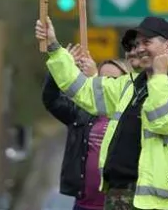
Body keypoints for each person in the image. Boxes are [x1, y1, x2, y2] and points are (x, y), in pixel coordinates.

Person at [35, 16, 168, 210]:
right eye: (137, 44)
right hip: (117, 196)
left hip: (151, 203)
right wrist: (54, 46)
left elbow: (161, 121)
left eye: (147, 42)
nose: (139, 49)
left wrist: (159, 76)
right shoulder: (130, 86)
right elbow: (82, 89)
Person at [43, 47, 129, 210]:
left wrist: (95, 78)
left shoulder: (132, 115)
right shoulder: (83, 112)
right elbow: (51, 100)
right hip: (84, 205)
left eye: (112, 79)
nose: (105, 83)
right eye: (102, 78)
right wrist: (59, 67)